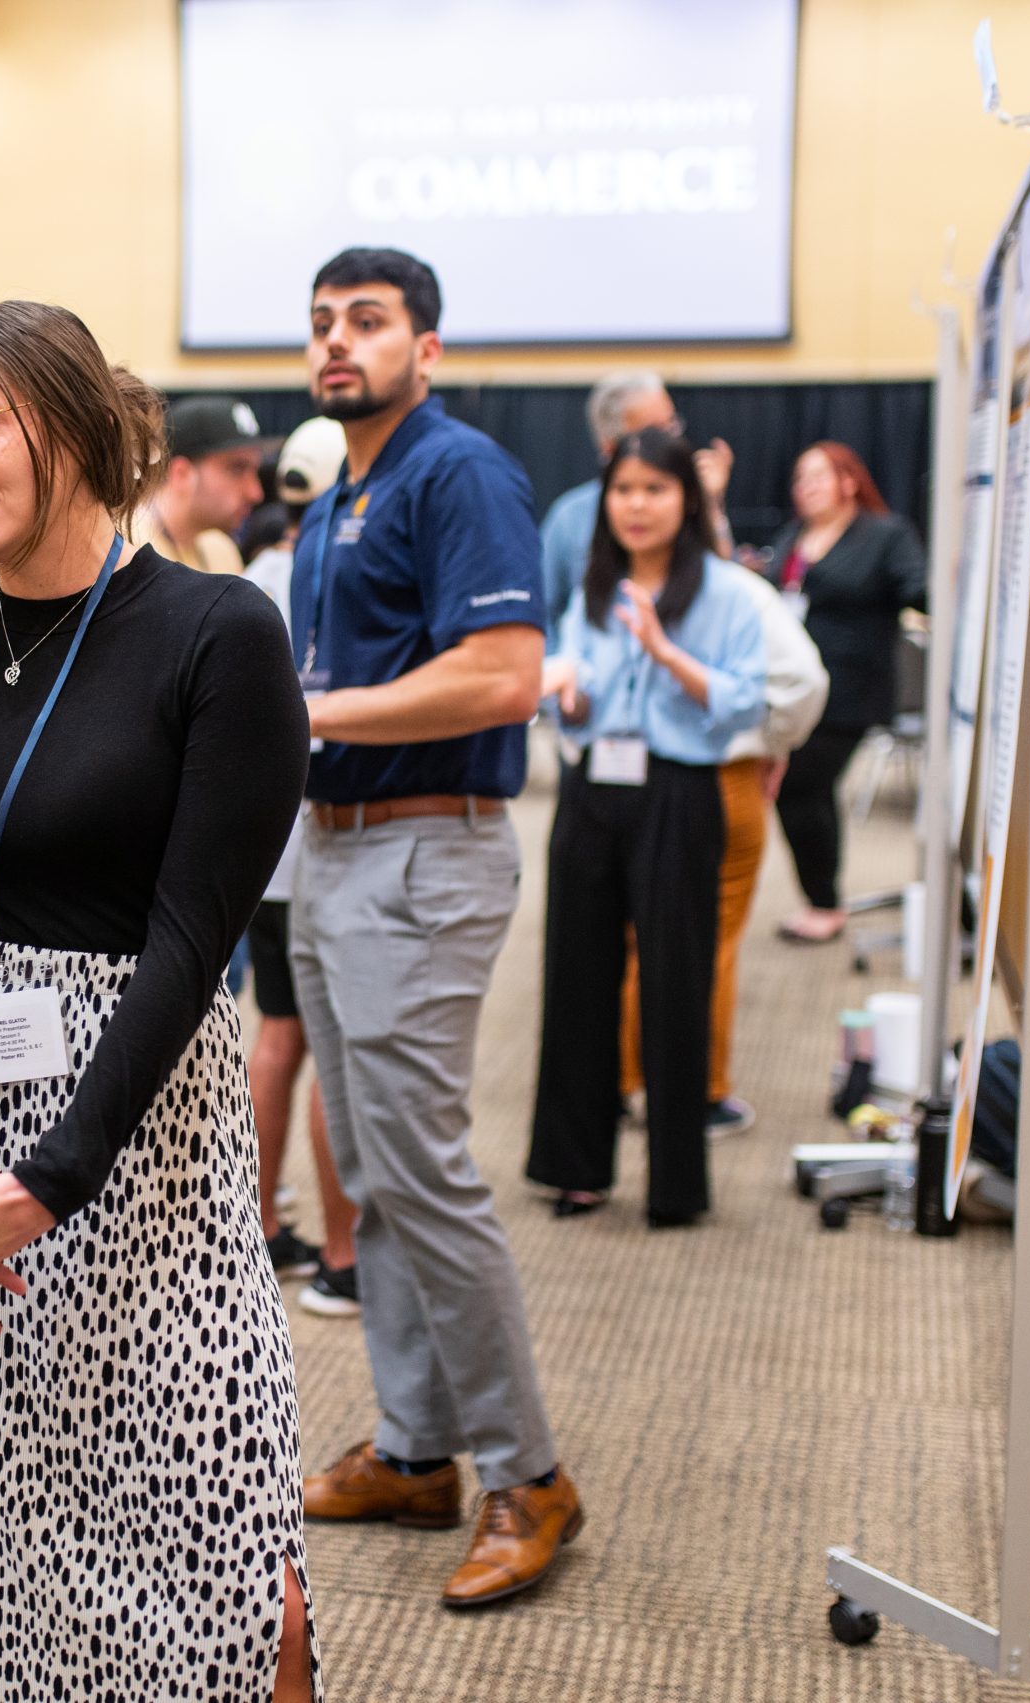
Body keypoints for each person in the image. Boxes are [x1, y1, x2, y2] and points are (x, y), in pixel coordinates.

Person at [0, 300, 315, 1701]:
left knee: (226, 1564)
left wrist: (54, 1176)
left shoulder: (216, 632)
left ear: (73, 420)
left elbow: (188, 943)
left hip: (145, 1139)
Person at [285, 247, 583, 1612]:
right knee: (372, 1164)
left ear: (429, 345)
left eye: (369, 323)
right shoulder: (339, 490)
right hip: (333, 853)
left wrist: (314, 715)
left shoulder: (454, 471)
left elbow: (506, 671)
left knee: (426, 1167)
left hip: (425, 850)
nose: (338, 344)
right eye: (323, 326)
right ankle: (415, 1448)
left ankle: (528, 1471)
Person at [527, 429, 768, 1227]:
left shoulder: (727, 592)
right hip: (594, 784)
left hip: (679, 790)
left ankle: (675, 1184)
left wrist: (665, 651)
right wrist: (570, 697)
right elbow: (569, 671)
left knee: (675, 981)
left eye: (654, 490)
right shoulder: (594, 586)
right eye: (622, 489)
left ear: (685, 500)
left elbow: (743, 702)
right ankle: (577, 1168)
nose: (635, 505)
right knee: (576, 977)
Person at [619, 556, 829, 1137]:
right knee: (708, 937)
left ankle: (622, 1080)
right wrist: (772, 740)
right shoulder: (738, 591)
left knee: (632, 935)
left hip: (615, 778)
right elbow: (804, 683)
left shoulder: (599, 572)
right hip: (714, 776)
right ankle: (698, 1093)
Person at [239, 497, 361, 1318]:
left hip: (264, 854)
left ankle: (263, 1226)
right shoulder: (337, 576)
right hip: (325, 845)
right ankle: (346, 1257)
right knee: (334, 1051)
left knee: (277, 1039)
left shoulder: (250, 581)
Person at [766, 440, 928, 943]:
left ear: (849, 481)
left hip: (849, 691)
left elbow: (919, 590)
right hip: (794, 689)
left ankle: (824, 904)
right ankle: (823, 899)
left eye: (817, 476)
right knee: (808, 792)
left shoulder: (884, 535)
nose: (805, 487)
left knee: (799, 787)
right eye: (800, 478)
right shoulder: (796, 534)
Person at [539, 371, 734, 638]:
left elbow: (727, 589)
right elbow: (544, 611)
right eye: (657, 431)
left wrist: (709, 504)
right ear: (609, 448)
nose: (638, 506)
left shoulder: (689, 504)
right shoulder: (569, 519)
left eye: (673, 425)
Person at [131, 393, 264, 572]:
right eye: (237, 469)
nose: (256, 493)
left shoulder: (221, 549)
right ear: (182, 474)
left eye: (255, 470)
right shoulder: (128, 548)